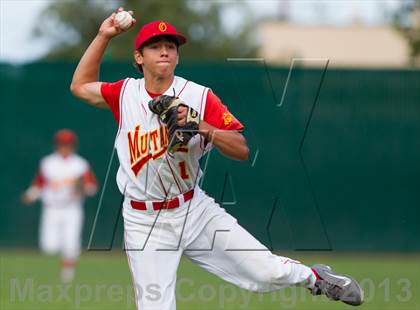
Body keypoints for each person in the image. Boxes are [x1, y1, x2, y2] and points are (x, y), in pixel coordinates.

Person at [70, 8, 364, 309]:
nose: (164, 52)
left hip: (192, 209)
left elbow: (241, 149)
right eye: (155, 47)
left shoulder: (198, 96)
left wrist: (201, 125)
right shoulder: (125, 94)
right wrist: (103, 35)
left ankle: (315, 278)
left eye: (170, 47)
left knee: (264, 271)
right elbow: (79, 86)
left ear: (177, 57)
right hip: (143, 220)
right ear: (139, 57)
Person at [22, 129, 98, 283]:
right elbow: (40, 184)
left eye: (68, 144)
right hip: (51, 208)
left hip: (72, 208)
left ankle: (67, 276)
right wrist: (30, 194)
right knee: (49, 246)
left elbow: (92, 188)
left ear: (73, 145)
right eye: (62, 144)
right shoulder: (48, 163)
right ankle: (56, 271)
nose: (65, 147)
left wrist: (81, 187)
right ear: (56, 145)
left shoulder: (80, 164)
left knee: (71, 243)